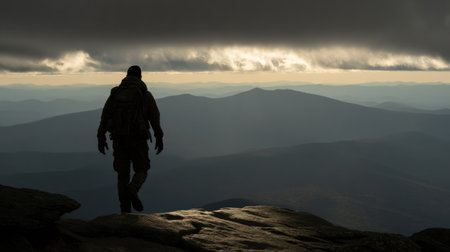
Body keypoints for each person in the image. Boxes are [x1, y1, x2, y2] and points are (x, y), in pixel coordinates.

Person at [97, 65, 164, 214]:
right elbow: (155, 118)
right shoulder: (144, 95)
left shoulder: (115, 94)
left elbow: (105, 116)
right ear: (140, 77)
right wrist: (159, 137)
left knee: (122, 175)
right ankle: (133, 190)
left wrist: (100, 137)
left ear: (126, 76)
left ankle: (125, 210)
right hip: (138, 140)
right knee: (142, 169)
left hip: (118, 139)